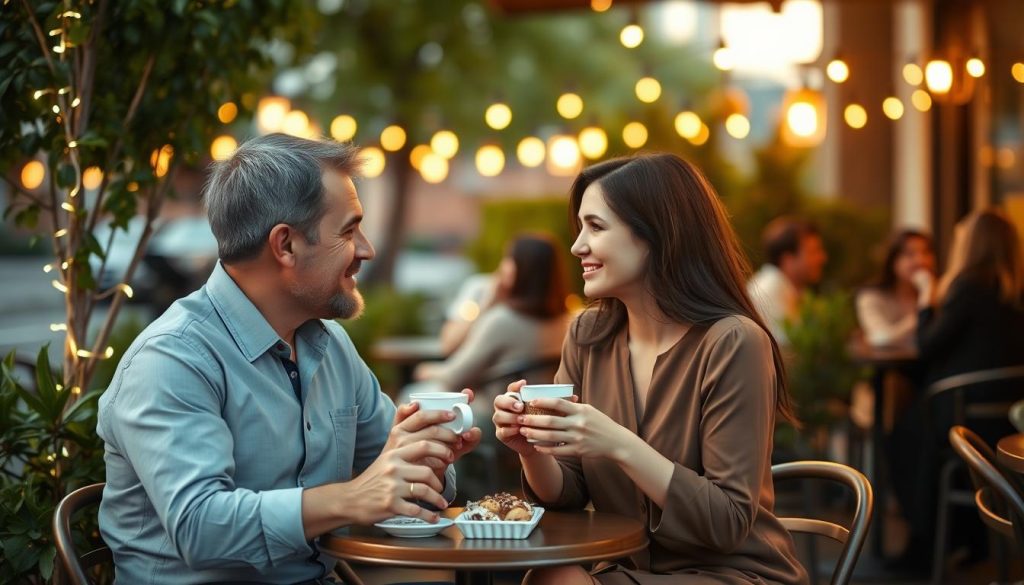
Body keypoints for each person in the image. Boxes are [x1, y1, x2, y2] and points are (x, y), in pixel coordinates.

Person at [96, 134, 481, 584]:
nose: (367, 249)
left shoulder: (331, 346)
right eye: (349, 229)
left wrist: (426, 456)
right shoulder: (173, 358)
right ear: (286, 246)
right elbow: (199, 526)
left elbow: (413, 492)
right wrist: (352, 498)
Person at [493, 154, 808, 584]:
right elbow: (567, 493)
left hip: (729, 574)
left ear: (656, 236)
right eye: (579, 227)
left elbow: (727, 521)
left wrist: (617, 442)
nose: (577, 245)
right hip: (624, 570)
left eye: (596, 227)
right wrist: (532, 450)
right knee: (550, 575)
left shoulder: (734, 342)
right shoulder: (589, 335)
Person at [888, 209, 1024, 570]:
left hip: (963, 415)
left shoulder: (969, 285)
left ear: (973, 243)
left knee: (902, 437)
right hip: (1008, 416)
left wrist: (925, 296)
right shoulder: (1014, 288)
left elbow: (927, 344)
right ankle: (970, 538)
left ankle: (924, 547)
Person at [413, 233, 570, 396]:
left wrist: (426, 370)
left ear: (523, 268)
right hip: (537, 407)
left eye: (509, 259)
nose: (502, 267)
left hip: (491, 408)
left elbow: (453, 377)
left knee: (411, 394)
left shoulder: (502, 321)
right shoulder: (565, 323)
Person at [747, 217, 827, 344]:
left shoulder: (793, 290)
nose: (822, 258)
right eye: (813, 252)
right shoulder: (769, 289)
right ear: (788, 260)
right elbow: (793, 350)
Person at [855, 230, 936, 349]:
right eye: (910, 254)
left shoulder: (942, 292)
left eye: (926, 252)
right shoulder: (871, 297)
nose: (921, 261)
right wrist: (924, 308)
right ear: (893, 261)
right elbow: (881, 339)